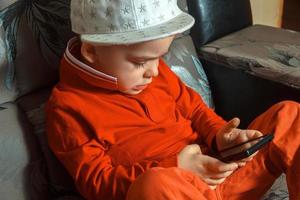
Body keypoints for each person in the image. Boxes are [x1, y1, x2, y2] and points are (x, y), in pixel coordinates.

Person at [46, 0, 300, 199]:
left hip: (220, 173)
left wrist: (221, 136)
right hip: (171, 191)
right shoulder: (67, 108)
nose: (154, 71)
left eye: (161, 57)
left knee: (289, 115)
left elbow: (196, 110)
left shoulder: (155, 73)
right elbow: (97, 184)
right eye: (140, 62)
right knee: (155, 185)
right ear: (91, 50)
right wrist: (177, 167)